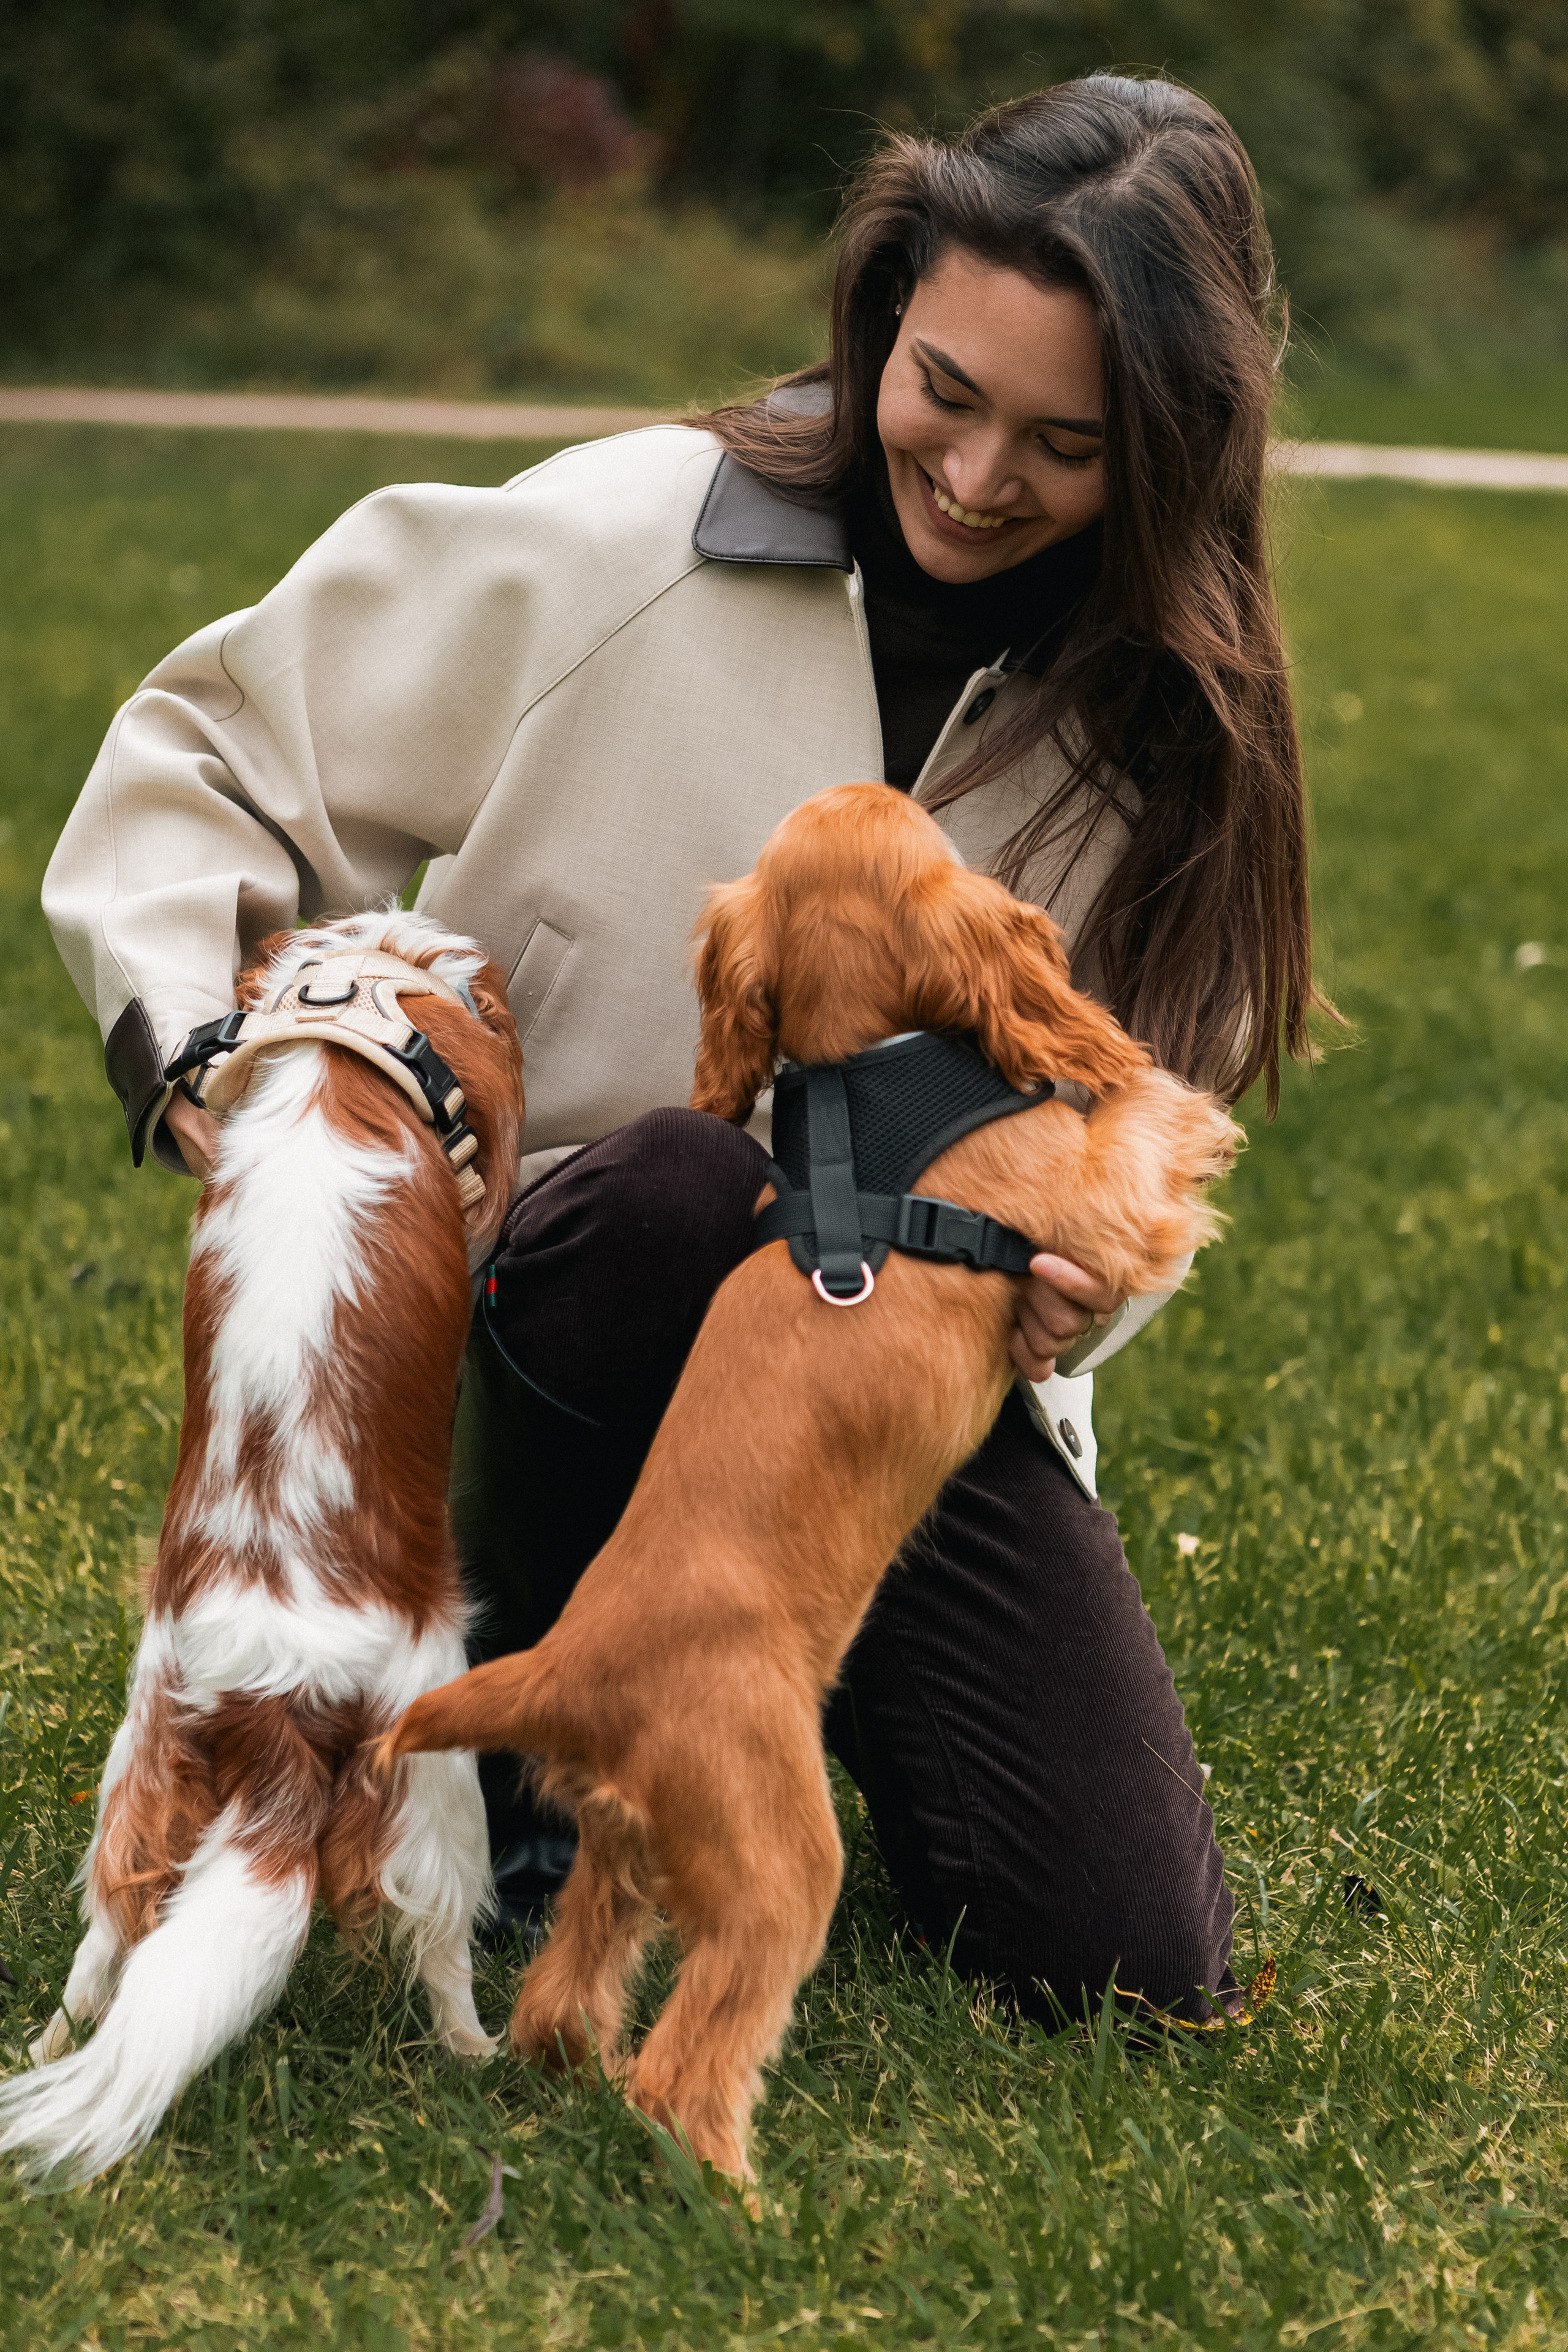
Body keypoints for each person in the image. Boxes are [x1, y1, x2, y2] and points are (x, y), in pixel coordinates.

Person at [44, 73, 1319, 2024]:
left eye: (1067, 445)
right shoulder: (628, 535)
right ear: (885, 307)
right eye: (947, 392)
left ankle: (739, 1711)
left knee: (1124, 1955)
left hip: (884, 1374)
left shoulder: (1169, 725)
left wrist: (1076, 1296)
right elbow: (202, 756)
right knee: (674, 1183)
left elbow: (1152, 1114)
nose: (979, 478)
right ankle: (515, 1761)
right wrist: (238, 1067)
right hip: (563, 1306)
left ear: (1166, 451)